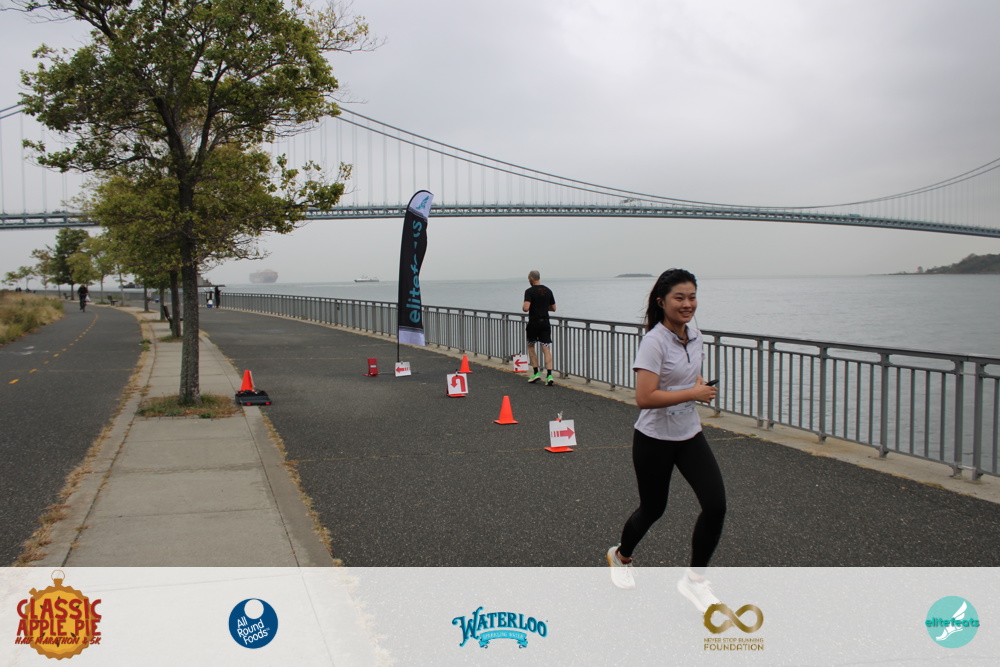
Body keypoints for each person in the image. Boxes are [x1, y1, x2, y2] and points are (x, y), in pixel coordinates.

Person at [606, 268, 726, 612]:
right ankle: (621, 556)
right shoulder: (654, 342)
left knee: (716, 505)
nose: (687, 304)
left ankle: (695, 581)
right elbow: (644, 397)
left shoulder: (696, 336)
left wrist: (698, 385)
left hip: (689, 434)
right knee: (653, 508)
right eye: (679, 298)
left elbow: (688, 376)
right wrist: (693, 393)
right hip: (654, 438)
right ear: (662, 302)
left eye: (692, 297)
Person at [522, 270, 556, 385]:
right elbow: (553, 308)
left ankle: (536, 373)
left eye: (529, 278)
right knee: (546, 349)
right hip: (545, 323)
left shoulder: (529, 291)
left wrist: (528, 306)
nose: (528, 280)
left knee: (531, 346)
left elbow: (526, 308)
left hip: (534, 323)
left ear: (532, 278)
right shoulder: (548, 290)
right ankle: (549, 375)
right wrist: (543, 307)